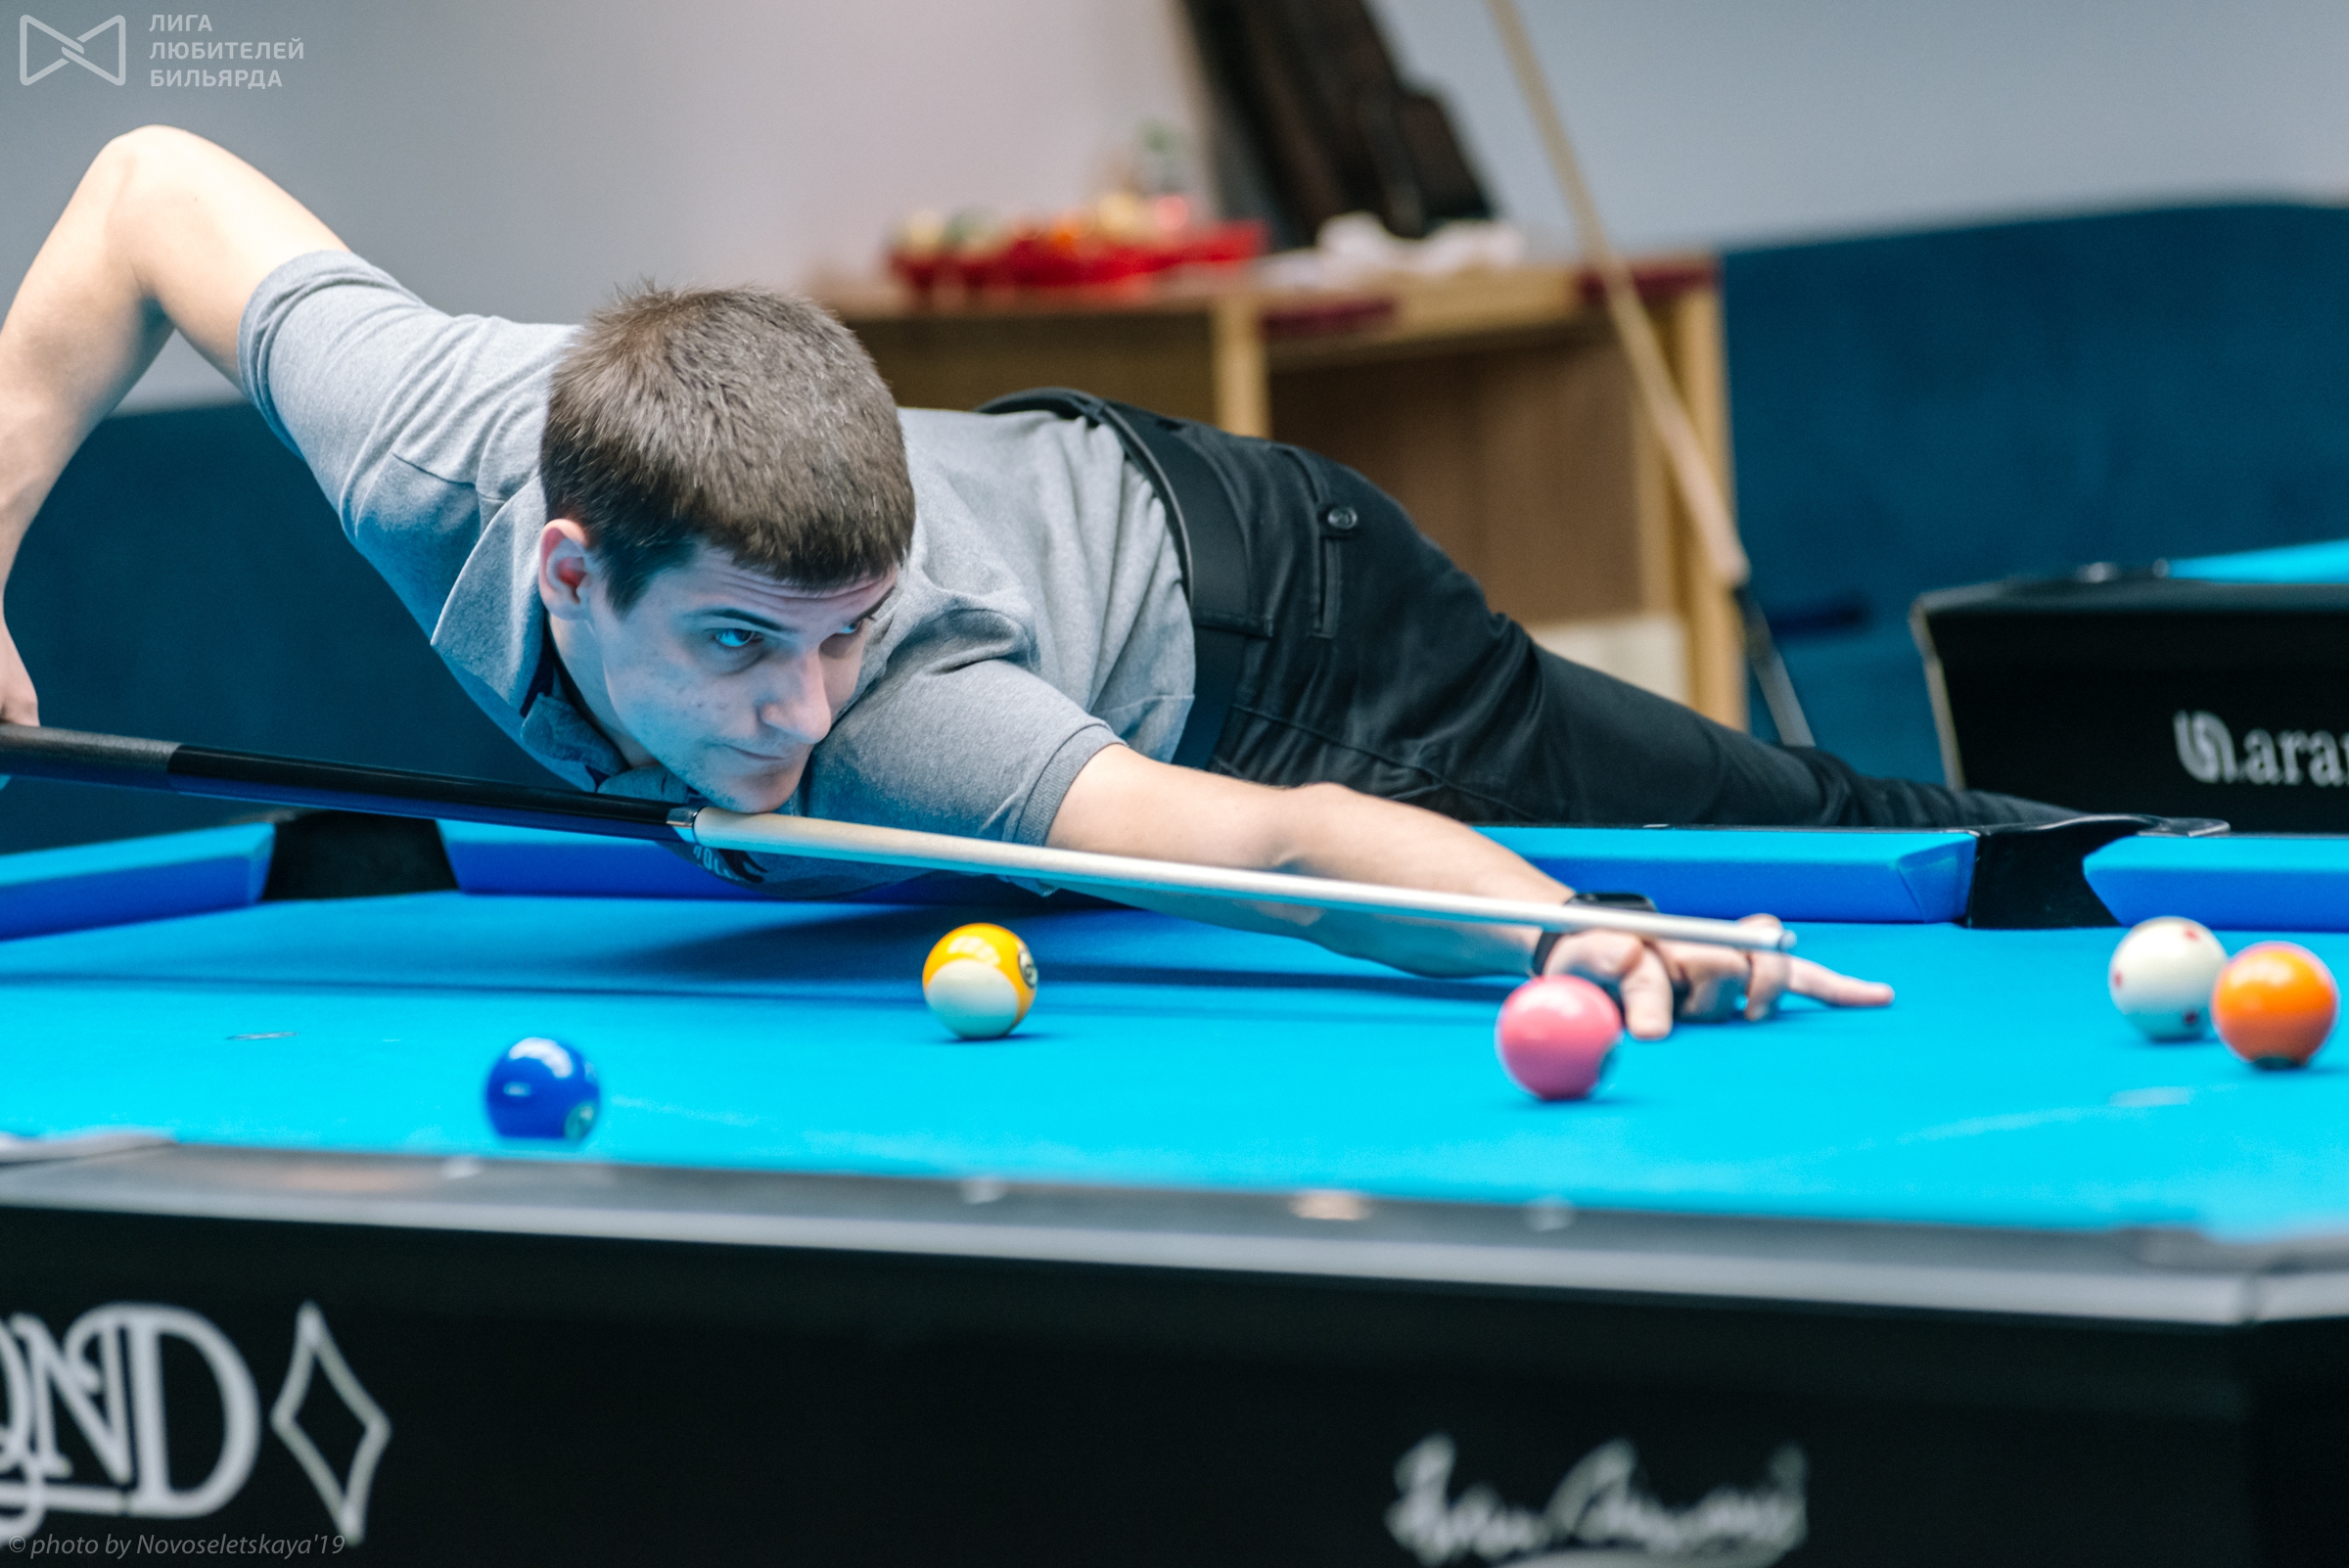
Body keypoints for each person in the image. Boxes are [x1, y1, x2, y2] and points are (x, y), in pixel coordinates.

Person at [0, 130, 2046, 1035]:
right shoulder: (425, 434)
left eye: (837, 641)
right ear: (568, 565)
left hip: (1284, 628)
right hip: (1070, 503)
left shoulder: (915, 719)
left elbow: (1278, 841)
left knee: (1788, 817)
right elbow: (146, 188)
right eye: (738, 643)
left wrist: (1563, 933)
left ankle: (2091, 855)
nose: (799, 712)